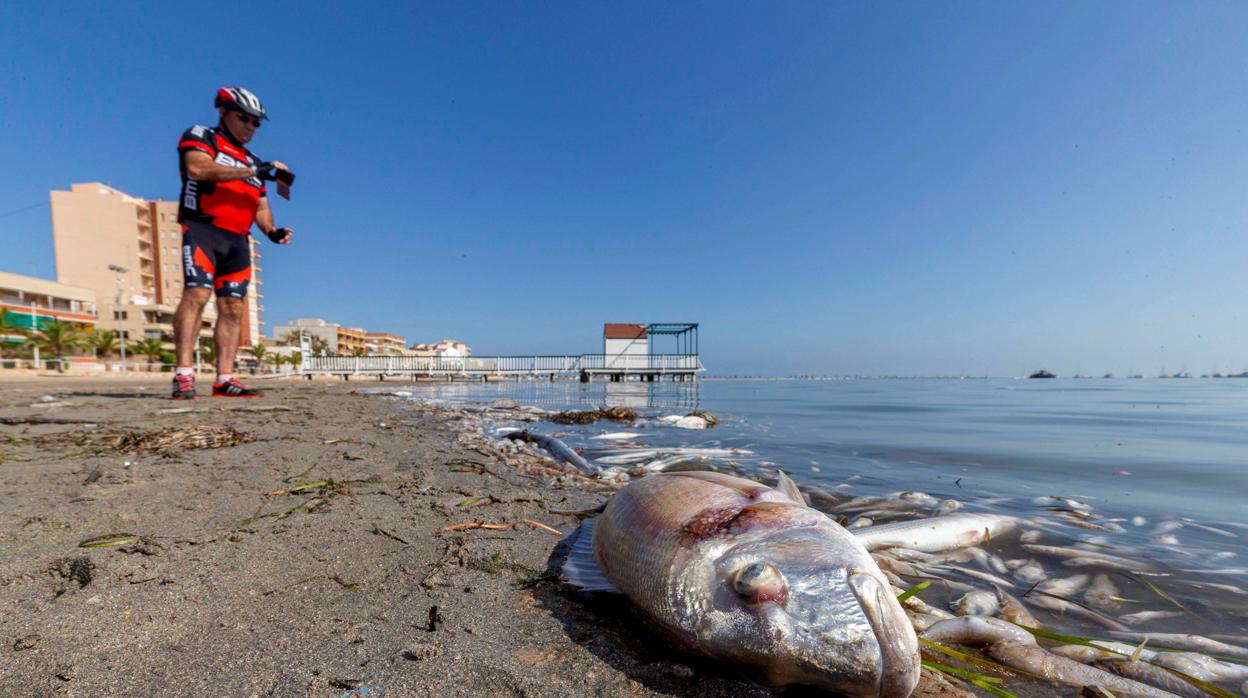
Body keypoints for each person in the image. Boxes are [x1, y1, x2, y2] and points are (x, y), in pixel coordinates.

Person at [170, 86, 293, 399]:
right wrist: (253, 170)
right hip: (203, 230)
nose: (250, 127)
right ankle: (184, 373)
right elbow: (198, 168)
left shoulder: (253, 161)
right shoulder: (203, 136)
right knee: (196, 294)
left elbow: (261, 207)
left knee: (233, 308)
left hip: (238, 241)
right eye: (245, 119)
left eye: (256, 123)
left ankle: (224, 377)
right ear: (223, 111)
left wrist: (272, 231)